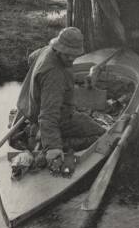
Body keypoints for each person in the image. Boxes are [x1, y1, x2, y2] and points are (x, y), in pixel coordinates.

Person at [10, 27, 105, 173]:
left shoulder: (46, 50)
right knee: (100, 134)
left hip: (28, 107)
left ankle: (36, 132)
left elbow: (31, 59)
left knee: (80, 119)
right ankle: (46, 143)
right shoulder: (55, 76)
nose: (72, 59)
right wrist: (53, 147)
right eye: (67, 55)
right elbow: (48, 115)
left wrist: (70, 79)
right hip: (53, 117)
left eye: (74, 54)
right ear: (59, 49)